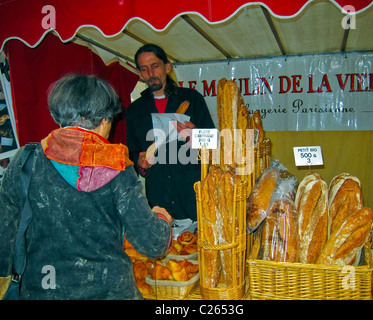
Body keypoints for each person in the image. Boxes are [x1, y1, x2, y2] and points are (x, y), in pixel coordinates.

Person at [0, 74, 172, 300]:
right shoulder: (117, 165)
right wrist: (162, 220)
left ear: (59, 116)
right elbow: (152, 243)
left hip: (43, 288)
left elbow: (5, 235)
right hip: (110, 291)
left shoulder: (27, 159)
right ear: (104, 120)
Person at [126, 44, 214, 221]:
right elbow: (133, 152)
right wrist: (140, 163)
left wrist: (196, 135)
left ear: (167, 67)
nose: (150, 73)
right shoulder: (134, 111)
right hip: (159, 197)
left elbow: (213, 143)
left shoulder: (192, 99)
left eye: (155, 66)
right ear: (139, 73)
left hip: (193, 194)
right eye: (144, 69)